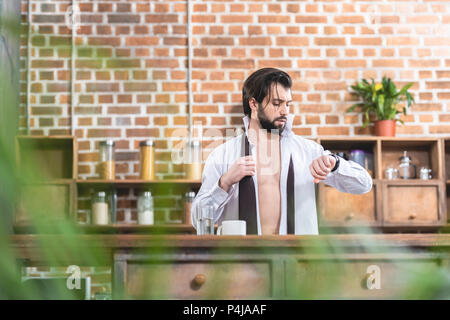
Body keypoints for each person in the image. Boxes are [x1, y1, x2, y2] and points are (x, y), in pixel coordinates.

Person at [191, 68, 372, 235]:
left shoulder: (308, 152)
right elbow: (197, 219)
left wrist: (335, 165)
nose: (284, 111)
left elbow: (364, 185)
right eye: (277, 103)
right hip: (241, 264)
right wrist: (224, 183)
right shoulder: (224, 155)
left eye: (288, 104)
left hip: (299, 262)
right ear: (253, 104)